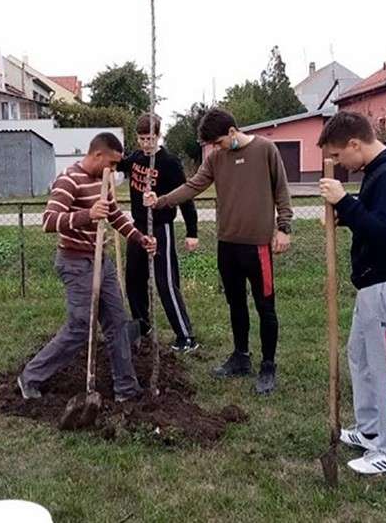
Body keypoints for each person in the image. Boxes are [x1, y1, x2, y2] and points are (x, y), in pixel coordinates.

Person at [144, 108, 293, 394]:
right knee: (235, 303)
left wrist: (283, 228)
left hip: (258, 245)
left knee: (265, 308)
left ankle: (268, 366)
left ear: (233, 132)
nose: (217, 148)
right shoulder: (216, 158)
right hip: (227, 245)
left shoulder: (266, 149)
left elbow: (281, 191)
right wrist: (161, 200)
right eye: (212, 145)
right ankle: (241, 357)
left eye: (219, 142)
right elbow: (192, 186)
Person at [318, 110, 386, 476]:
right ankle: (371, 430)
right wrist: (346, 214)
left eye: (337, 155)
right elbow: (374, 219)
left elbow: (385, 234)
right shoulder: (379, 172)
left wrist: (345, 203)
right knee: (362, 356)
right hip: (375, 283)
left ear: (355, 144)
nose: (337, 163)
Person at [18, 133, 157, 402]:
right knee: (80, 326)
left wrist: (140, 239)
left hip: (100, 262)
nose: (115, 170)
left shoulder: (102, 181)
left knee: (117, 322)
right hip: (75, 262)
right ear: (97, 155)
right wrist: (87, 215)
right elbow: (49, 221)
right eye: (113, 164)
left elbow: (115, 215)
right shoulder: (69, 180)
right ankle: (31, 377)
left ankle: (126, 389)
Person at [117, 112, 199, 353]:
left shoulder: (169, 163)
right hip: (138, 227)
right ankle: (142, 325)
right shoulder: (135, 159)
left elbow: (186, 198)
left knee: (165, 282)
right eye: (142, 139)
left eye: (150, 139)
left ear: (158, 135)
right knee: (134, 278)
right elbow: (117, 162)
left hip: (162, 227)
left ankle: (185, 336)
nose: (146, 144)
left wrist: (192, 231)